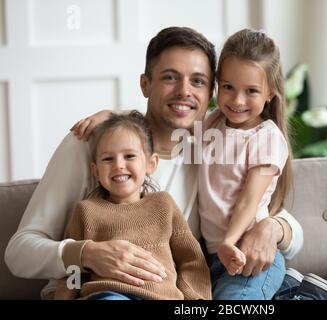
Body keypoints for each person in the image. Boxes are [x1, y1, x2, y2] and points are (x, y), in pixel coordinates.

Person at [5, 26, 303, 300]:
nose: (184, 91)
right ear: (145, 84)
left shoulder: (208, 147)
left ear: (210, 92)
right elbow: (19, 253)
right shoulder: (90, 146)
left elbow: (276, 217)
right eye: (170, 77)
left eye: (198, 81)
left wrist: (273, 228)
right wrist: (86, 253)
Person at [53, 111, 211, 300]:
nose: (118, 165)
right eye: (108, 159)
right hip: (108, 294)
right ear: (95, 170)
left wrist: (196, 299)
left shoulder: (164, 205)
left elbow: (191, 260)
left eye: (129, 156)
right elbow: (72, 268)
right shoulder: (86, 211)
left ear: (151, 164)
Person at [197, 29, 290, 300]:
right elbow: (164, 125)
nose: (237, 101)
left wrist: (228, 241)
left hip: (250, 257)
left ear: (271, 92)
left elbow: (250, 200)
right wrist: (114, 115)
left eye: (251, 91)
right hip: (213, 258)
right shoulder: (211, 123)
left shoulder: (267, 138)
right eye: (228, 87)